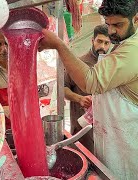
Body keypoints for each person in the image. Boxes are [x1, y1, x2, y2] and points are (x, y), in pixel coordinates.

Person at [39, 0, 138, 178]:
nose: (111, 31)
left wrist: (59, 45)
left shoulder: (133, 49)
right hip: (115, 141)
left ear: (136, 19)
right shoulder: (124, 42)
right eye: (108, 24)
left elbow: (90, 82)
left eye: (118, 25)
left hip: (129, 148)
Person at [64, 24, 111, 153]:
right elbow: (63, 88)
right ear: (92, 40)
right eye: (99, 41)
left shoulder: (111, 65)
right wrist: (79, 98)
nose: (102, 46)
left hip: (104, 127)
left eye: (107, 43)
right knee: (83, 158)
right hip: (82, 127)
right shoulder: (79, 63)